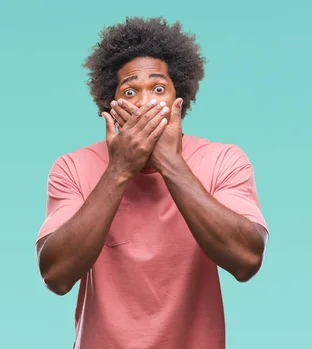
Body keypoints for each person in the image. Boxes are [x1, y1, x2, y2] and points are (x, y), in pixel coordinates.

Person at [34, 17, 269, 349]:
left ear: (180, 99)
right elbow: (55, 275)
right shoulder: (73, 167)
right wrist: (119, 170)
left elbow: (246, 261)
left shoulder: (223, 160)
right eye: (130, 91)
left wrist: (170, 163)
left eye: (158, 89)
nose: (145, 103)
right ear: (110, 107)